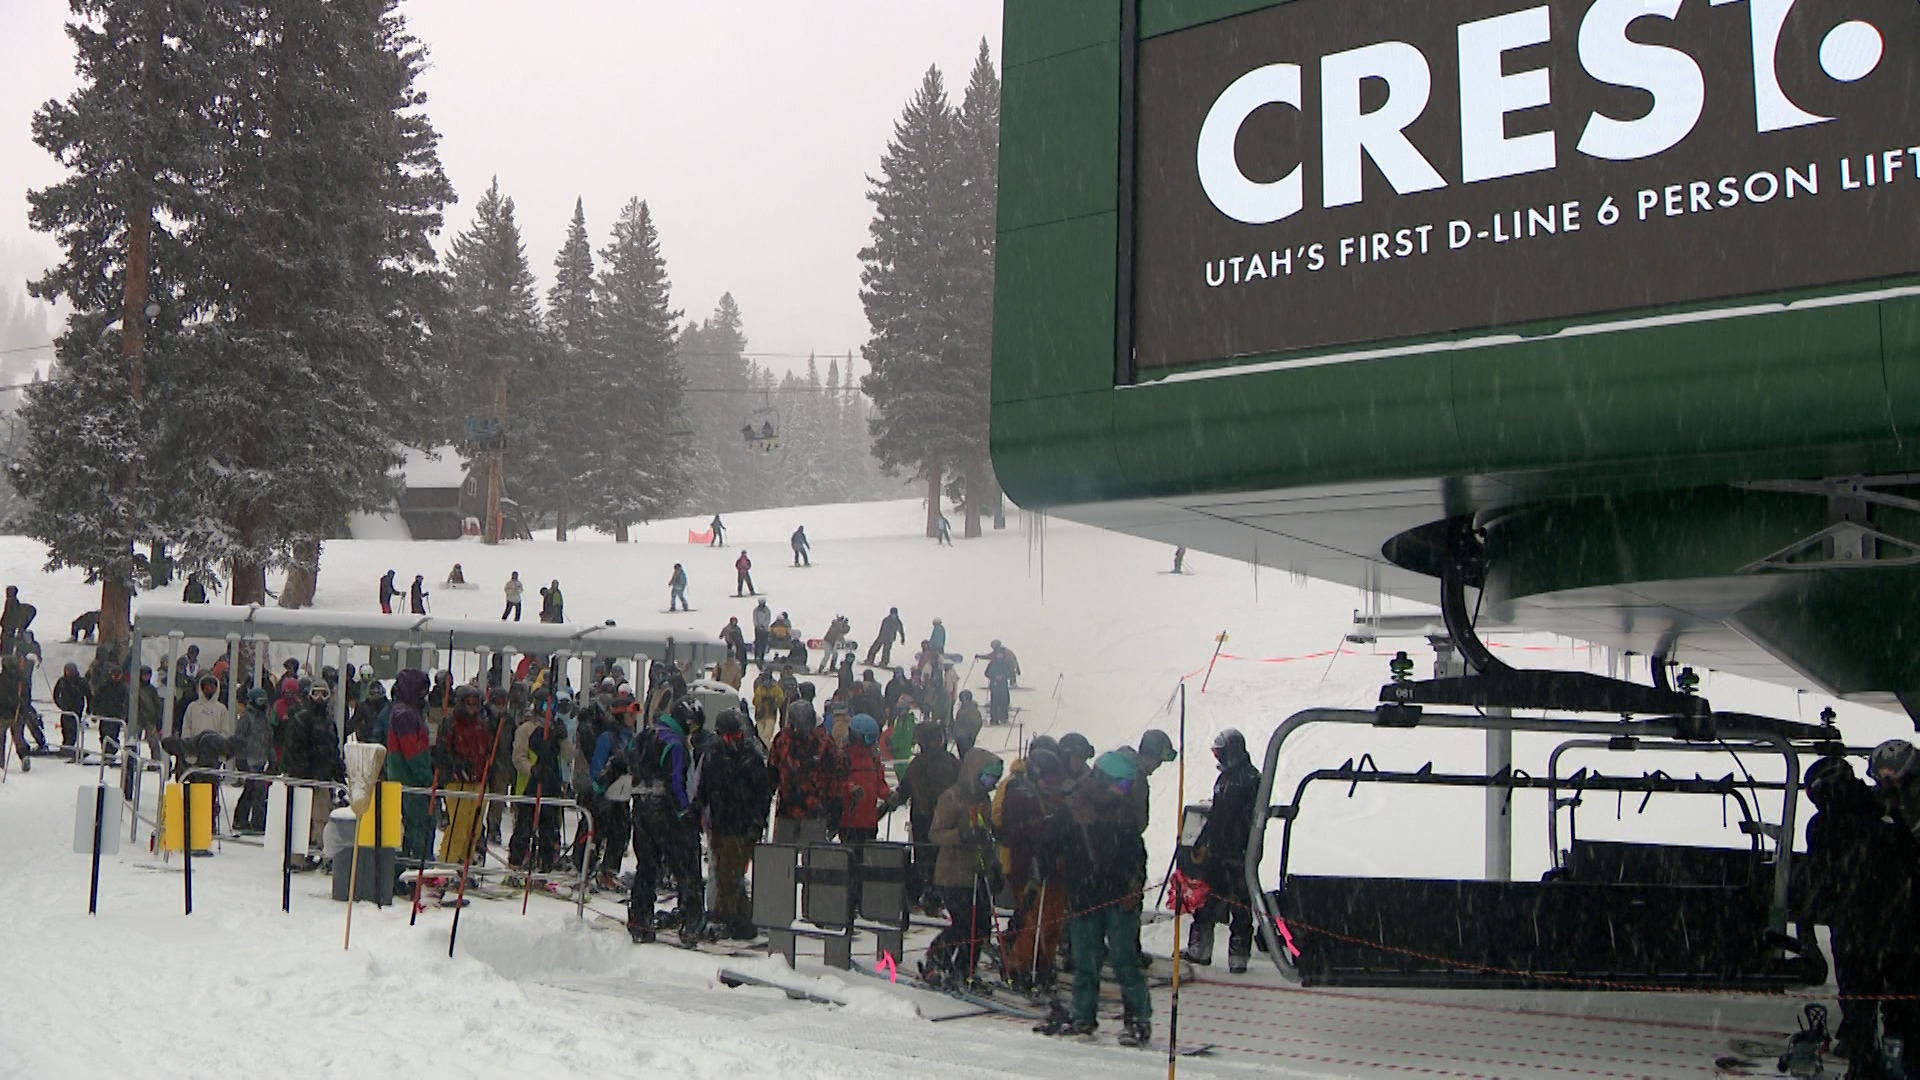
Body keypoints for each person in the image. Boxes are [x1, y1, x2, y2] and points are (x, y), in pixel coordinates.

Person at [1801, 755, 1920, 1074]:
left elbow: (1821, 877)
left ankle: (1867, 1061)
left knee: (1860, 1003)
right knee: (1904, 1002)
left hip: (1857, 925)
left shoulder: (1824, 825)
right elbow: (1911, 856)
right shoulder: (1884, 808)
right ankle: (1904, 1059)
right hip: (1897, 921)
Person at [1036, 751, 1152, 1045]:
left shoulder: (1122, 812)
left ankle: (1138, 1019)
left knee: (1125, 959)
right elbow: (1048, 845)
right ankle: (1083, 1016)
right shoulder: (1074, 809)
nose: (1125, 792)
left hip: (1118, 897)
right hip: (1084, 897)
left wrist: (1134, 886)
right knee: (1086, 960)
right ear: (1103, 780)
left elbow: (1136, 855)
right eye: (1123, 785)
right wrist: (1053, 870)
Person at [604, 698, 704, 943]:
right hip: (666, 809)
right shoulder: (674, 743)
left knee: (647, 866)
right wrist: (686, 812)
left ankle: (640, 918)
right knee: (685, 866)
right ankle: (692, 922)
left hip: (641, 806)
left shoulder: (645, 735)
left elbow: (620, 762)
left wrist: (601, 786)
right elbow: (676, 781)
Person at [924, 746, 1004, 989]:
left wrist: (994, 868)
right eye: (987, 778)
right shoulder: (952, 797)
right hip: (953, 874)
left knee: (981, 926)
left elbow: (985, 837)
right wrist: (962, 835)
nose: (990, 784)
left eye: (993, 780)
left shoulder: (983, 801)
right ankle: (936, 959)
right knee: (962, 924)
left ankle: (966, 970)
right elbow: (936, 834)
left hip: (977, 873)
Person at [1181, 729, 1261, 973]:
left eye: (1220, 753)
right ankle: (1200, 948)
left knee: (1240, 903)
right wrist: (1204, 840)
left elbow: (1245, 819)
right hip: (1220, 850)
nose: (1218, 759)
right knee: (1207, 898)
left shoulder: (1250, 779)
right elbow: (1217, 814)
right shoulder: (1228, 778)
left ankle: (1238, 955)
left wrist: (1236, 846)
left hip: (1239, 852)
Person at [1000, 747, 1068, 993]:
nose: (1052, 783)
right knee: (1034, 921)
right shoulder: (1021, 795)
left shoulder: (1052, 797)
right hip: (1030, 870)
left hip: (1055, 869)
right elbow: (1023, 831)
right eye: (1048, 777)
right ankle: (1018, 965)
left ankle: (1043, 963)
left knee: (1053, 921)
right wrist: (1046, 826)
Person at [703, 709, 772, 939]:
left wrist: (756, 824)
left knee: (728, 873)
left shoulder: (750, 757)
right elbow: (708, 786)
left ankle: (730, 918)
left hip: (741, 825)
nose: (730, 741)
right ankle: (740, 918)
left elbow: (762, 795)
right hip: (721, 823)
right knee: (727, 873)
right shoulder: (715, 754)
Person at [432, 686, 493, 893]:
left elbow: (487, 750)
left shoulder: (481, 726)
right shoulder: (450, 724)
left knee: (473, 828)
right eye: (469, 702)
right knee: (457, 827)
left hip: (477, 782)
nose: (473, 707)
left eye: (476, 703)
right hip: (457, 783)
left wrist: (486, 768)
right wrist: (458, 765)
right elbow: (441, 753)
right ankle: (446, 868)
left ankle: (463, 866)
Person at [283, 681, 345, 860]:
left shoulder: (328, 722)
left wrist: (337, 770)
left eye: (323, 694)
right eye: (315, 694)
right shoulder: (301, 719)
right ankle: (297, 857)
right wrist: (302, 771)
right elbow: (293, 749)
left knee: (321, 818)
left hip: (322, 777)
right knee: (301, 818)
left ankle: (318, 851)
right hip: (304, 778)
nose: (319, 699)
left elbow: (333, 748)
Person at [768, 699, 844, 843]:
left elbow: (835, 777)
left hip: (813, 812)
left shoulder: (824, 743)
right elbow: (772, 773)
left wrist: (835, 806)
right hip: (789, 811)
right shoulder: (782, 740)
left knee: (811, 858)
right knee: (784, 858)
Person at [385, 670, 433, 892]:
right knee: (417, 830)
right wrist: (426, 774)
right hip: (411, 781)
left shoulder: (405, 711)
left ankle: (407, 875)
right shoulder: (405, 715)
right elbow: (411, 750)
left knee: (411, 830)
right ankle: (411, 877)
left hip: (406, 779)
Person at [509, 703, 564, 874]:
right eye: (546, 705)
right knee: (524, 828)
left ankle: (545, 866)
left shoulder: (554, 730)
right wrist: (532, 769)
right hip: (529, 786)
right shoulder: (526, 729)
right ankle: (516, 865)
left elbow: (568, 755)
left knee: (549, 829)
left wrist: (564, 738)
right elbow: (518, 757)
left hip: (551, 786)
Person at [841, 714, 893, 843]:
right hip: (849, 821)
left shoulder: (873, 759)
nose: (871, 744)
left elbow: (879, 784)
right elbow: (836, 783)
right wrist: (850, 788)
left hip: (869, 821)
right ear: (856, 737)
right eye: (868, 739)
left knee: (867, 856)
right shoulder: (844, 757)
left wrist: (888, 794)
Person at [231, 687, 274, 833]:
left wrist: (272, 759)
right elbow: (239, 738)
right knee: (251, 789)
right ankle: (241, 819)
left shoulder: (264, 719)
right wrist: (240, 758)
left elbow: (268, 740)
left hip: (260, 759)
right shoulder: (246, 718)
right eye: (259, 701)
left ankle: (258, 821)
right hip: (248, 759)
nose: (262, 704)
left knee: (259, 791)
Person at [1871, 739, 1920, 842]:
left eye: (1889, 771)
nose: (1884, 776)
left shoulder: (1913, 794)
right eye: (1881, 774)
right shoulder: (1881, 797)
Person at [54, 661, 91, 757]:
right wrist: (60, 704)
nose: (68, 673)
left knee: (73, 728)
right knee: (65, 728)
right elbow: (56, 694)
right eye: (67, 671)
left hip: (77, 708)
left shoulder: (81, 681)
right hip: (65, 708)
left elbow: (88, 695)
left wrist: (89, 708)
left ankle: (69, 746)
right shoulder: (62, 681)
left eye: (70, 671)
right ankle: (66, 745)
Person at [751, 669, 784, 747]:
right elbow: (755, 701)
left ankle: (767, 750)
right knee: (760, 735)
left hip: (770, 715)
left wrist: (773, 703)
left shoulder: (776, 688)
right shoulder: (760, 688)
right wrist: (761, 702)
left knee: (767, 735)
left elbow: (780, 700)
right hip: (760, 715)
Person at [951, 691, 984, 755]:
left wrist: (971, 735)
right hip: (960, 737)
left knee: (965, 755)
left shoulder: (972, 710)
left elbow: (977, 724)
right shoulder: (962, 709)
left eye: (964, 699)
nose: (962, 701)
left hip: (967, 738)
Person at [751, 598, 772, 663]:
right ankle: (756, 656)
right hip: (757, 629)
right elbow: (755, 618)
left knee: (764, 643)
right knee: (757, 643)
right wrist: (757, 626)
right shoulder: (755, 610)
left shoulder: (767, 610)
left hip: (765, 629)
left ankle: (762, 656)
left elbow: (768, 619)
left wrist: (764, 625)